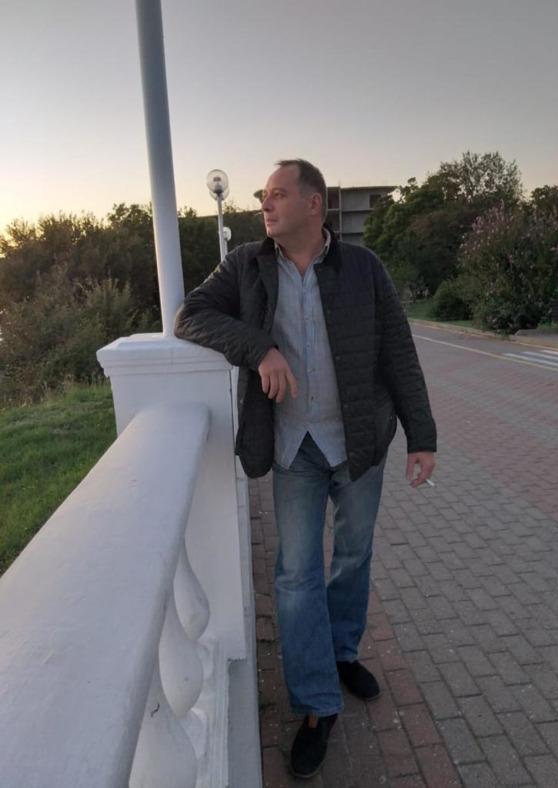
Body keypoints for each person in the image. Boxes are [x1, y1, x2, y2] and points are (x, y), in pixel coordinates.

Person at [174, 159, 437, 779]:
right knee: (296, 577)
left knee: (353, 556)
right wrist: (259, 348)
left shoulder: (363, 268)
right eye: (263, 195)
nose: (265, 204)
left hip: (359, 443)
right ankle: (317, 704)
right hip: (294, 447)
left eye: (278, 194)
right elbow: (189, 316)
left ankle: (342, 652)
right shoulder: (247, 264)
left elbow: (399, 351)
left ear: (314, 204)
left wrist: (421, 438)